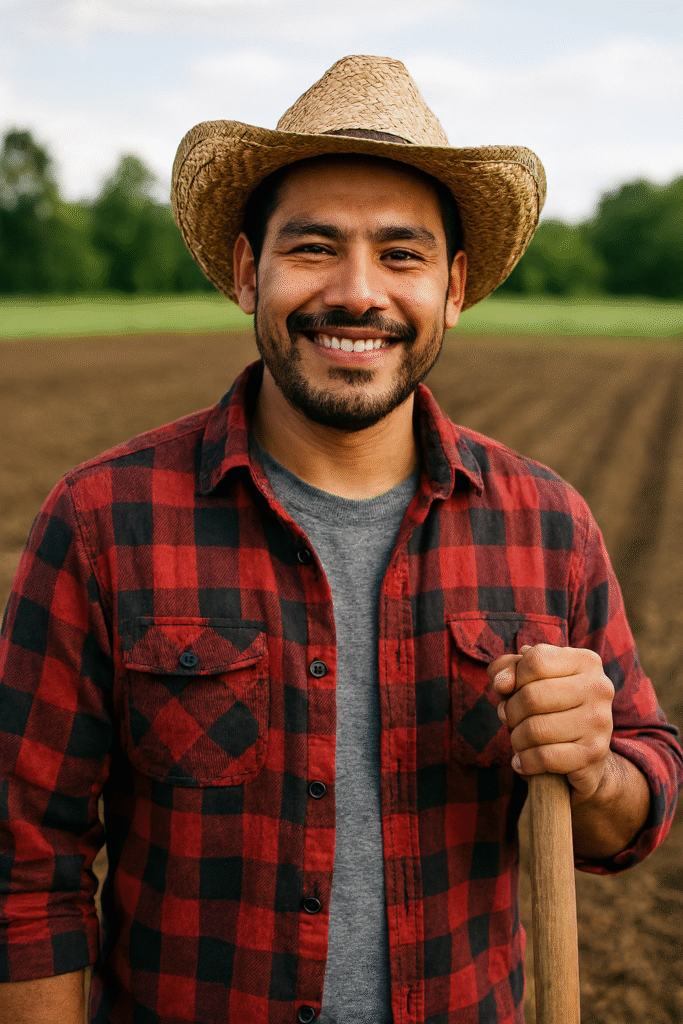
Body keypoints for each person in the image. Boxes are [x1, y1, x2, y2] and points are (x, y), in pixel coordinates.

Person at [0, 54, 681, 1024]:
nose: (357, 291)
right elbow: (27, 859)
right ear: (248, 271)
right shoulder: (105, 520)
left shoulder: (546, 525)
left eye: (399, 255)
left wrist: (597, 764)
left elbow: (636, 801)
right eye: (314, 246)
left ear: (451, 288)